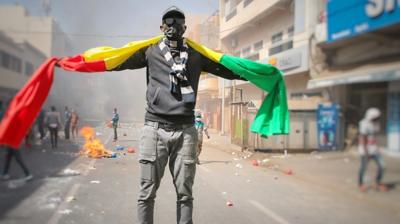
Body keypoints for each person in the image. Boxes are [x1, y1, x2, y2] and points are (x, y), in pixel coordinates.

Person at [112, 6, 246, 223]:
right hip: (154, 130)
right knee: (146, 194)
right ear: (161, 27)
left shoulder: (195, 56)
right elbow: (117, 61)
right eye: (168, 21)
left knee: (185, 195)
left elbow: (226, 69)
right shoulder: (151, 51)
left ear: (185, 27)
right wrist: (85, 63)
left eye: (177, 21)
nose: (173, 24)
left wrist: (255, 73)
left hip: (186, 132)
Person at [1, 100, 33, 181]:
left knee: (18, 158)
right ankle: (5, 173)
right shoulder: (11, 114)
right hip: (10, 140)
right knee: (8, 157)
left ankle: (27, 173)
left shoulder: (12, 115)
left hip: (13, 140)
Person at [358, 107, 387, 192]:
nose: (377, 119)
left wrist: (378, 147)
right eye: (376, 117)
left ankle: (377, 182)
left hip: (374, 150)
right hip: (365, 151)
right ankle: (361, 184)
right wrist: (366, 153)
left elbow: (375, 136)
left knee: (382, 166)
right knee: (364, 167)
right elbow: (363, 139)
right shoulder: (364, 124)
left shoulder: (376, 124)